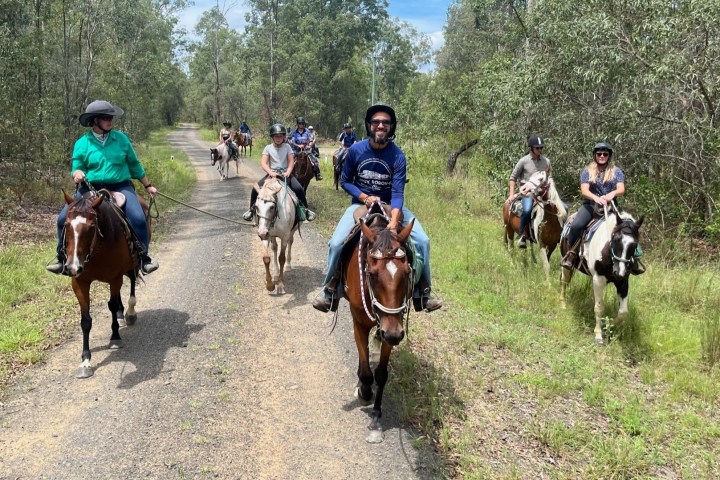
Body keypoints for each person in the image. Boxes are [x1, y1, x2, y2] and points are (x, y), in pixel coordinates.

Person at [312, 104, 443, 313]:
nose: (380, 125)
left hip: (390, 204)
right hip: (361, 205)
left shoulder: (398, 156)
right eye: (376, 122)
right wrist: (364, 197)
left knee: (423, 241)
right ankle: (329, 292)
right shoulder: (356, 150)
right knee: (336, 243)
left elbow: (398, 192)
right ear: (369, 126)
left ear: (391, 127)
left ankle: (422, 293)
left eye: (385, 122)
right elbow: (345, 181)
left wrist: (393, 222)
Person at [46, 100, 159, 275]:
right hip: (88, 188)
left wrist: (148, 186)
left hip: (120, 186)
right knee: (62, 219)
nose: (110, 120)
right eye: (106, 118)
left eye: (111, 117)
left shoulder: (121, 139)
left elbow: (134, 165)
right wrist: (77, 173)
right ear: (94, 121)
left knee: (137, 217)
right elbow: (77, 165)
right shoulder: (82, 143)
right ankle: (61, 258)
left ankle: (144, 258)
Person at [561, 141, 644, 274]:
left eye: (605, 154)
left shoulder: (616, 171)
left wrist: (612, 194)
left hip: (612, 206)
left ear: (609, 156)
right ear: (595, 155)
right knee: (576, 225)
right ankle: (571, 254)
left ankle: (634, 259)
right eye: (599, 153)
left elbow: (621, 189)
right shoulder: (587, 171)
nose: (602, 156)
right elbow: (584, 190)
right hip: (590, 206)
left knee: (630, 227)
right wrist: (596, 198)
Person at [241, 123, 316, 222]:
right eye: (276, 136)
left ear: (284, 137)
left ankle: (306, 210)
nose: (278, 138)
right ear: (272, 137)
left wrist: (288, 172)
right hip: (272, 174)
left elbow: (291, 161)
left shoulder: (287, 147)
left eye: (280, 136)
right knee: (255, 188)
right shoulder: (268, 148)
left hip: (286, 174)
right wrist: (270, 172)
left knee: (298, 188)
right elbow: (264, 163)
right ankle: (251, 210)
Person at [506, 134, 551, 248]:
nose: (540, 150)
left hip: (543, 192)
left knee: (562, 207)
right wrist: (511, 195)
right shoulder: (523, 161)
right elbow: (513, 178)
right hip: (528, 192)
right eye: (537, 148)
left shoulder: (546, 161)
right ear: (531, 148)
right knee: (527, 209)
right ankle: (522, 235)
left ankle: (558, 235)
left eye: (541, 148)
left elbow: (549, 178)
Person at [290, 116, 322, 180]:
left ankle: (317, 174)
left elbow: (310, 139)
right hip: (296, 150)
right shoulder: (294, 132)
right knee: (290, 160)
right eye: (300, 123)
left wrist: (310, 143)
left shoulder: (307, 131)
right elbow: (292, 141)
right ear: (297, 124)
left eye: (302, 123)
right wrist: (298, 145)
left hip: (306, 149)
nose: (301, 125)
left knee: (314, 160)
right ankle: (288, 174)